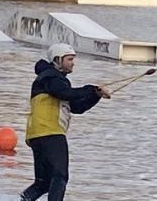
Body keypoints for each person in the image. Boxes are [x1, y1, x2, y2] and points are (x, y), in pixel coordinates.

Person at [20, 44, 110, 201]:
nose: (73, 63)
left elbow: (77, 107)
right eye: (69, 59)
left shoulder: (54, 80)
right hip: (50, 133)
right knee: (60, 175)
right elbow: (65, 93)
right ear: (57, 60)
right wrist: (91, 88)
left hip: (38, 134)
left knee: (43, 183)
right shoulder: (49, 77)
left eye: (73, 59)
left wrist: (95, 96)